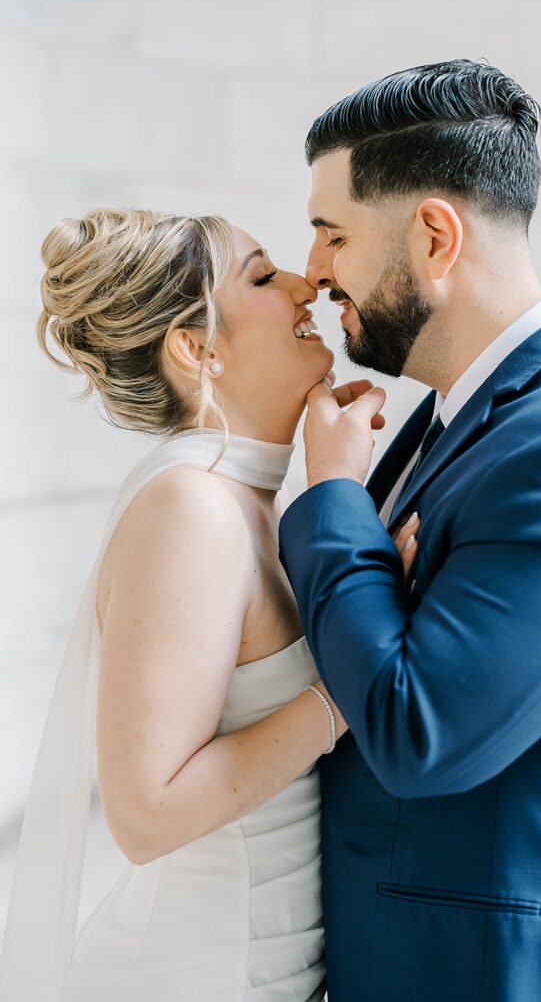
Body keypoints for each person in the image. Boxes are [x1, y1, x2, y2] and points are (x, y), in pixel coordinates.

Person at [278, 59, 541, 1001]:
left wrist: (332, 494)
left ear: (432, 236)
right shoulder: (468, 411)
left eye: (331, 234)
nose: (312, 273)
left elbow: (422, 733)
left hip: (515, 972)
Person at [0, 207, 370, 1001]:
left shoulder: (246, 500)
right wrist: (350, 691)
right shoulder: (192, 510)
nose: (306, 286)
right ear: (197, 348)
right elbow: (146, 813)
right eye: (264, 278)